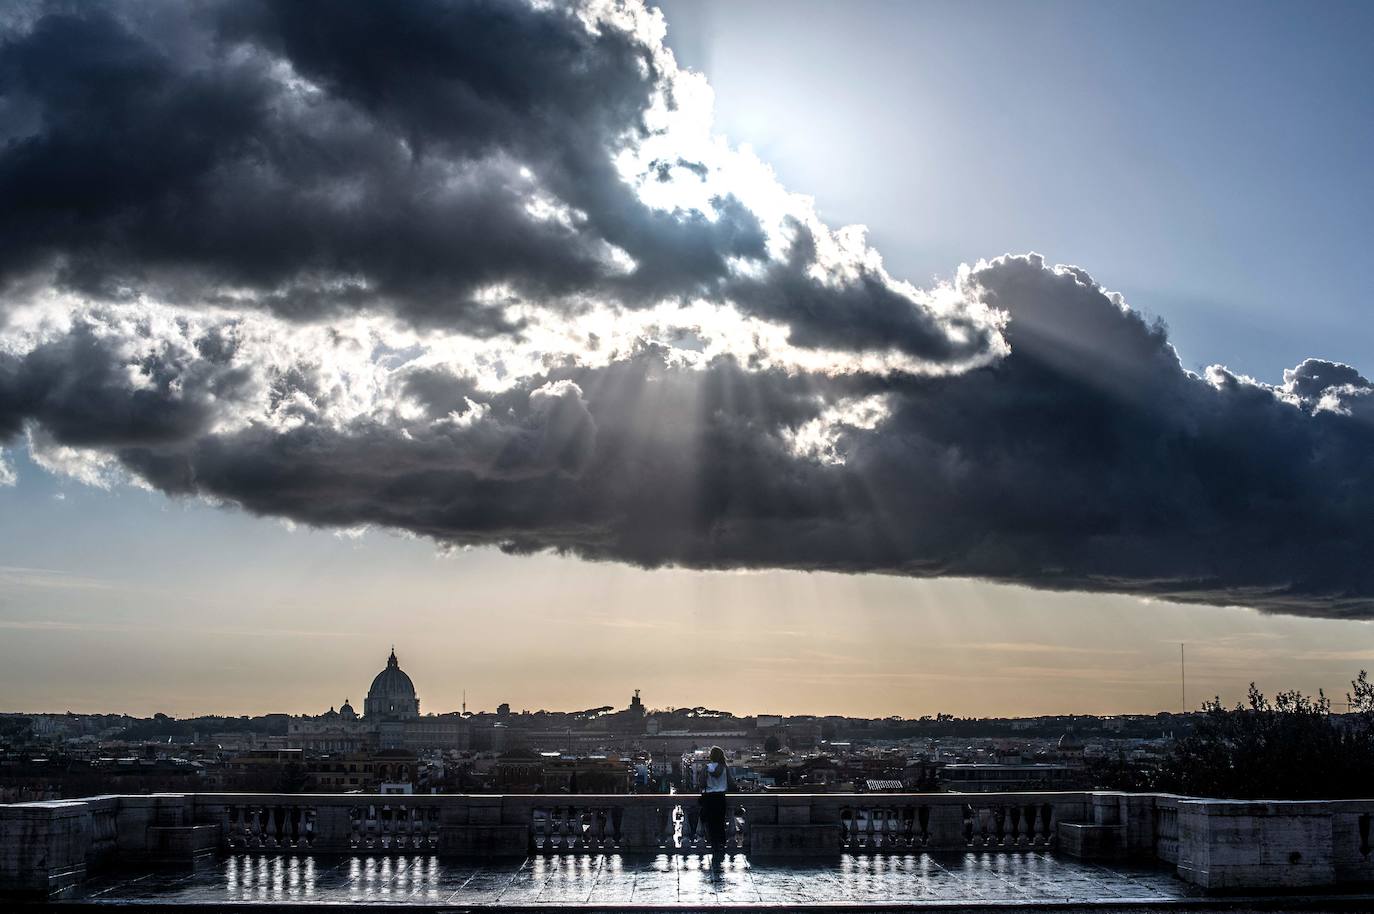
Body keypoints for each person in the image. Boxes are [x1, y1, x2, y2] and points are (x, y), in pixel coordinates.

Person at [699, 745, 737, 859]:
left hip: (709, 798)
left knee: (711, 823)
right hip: (720, 798)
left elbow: (702, 783)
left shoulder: (706, 767)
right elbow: (731, 783)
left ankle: (713, 844)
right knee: (720, 822)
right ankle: (721, 844)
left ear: (711, 756)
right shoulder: (725, 767)